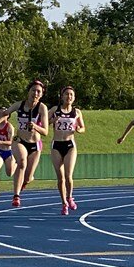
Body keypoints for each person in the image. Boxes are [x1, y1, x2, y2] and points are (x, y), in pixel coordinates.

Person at [0, 80, 49, 207]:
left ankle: (25, 182)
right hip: (19, 141)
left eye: (39, 91)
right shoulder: (19, 105)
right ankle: (16, 196)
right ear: (29, 92)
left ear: (41, 94)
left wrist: (35, 127)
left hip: (35, 144)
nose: (35, 93)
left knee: (28, 177)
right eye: (33, 90)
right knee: (21, 162)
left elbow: (46, 132)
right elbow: (4, 115)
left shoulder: (42, 108)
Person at [48, 86, 86, 215]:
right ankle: (64, 203)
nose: (69, 97)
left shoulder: (77, 112)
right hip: (56, 145)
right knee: (60, 178)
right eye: (66, 94)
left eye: (71, 95)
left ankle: (70, 197)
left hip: (70, 145)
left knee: (68, 176)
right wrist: (53, 120)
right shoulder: (55, 109)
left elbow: (82, 127)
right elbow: (43, 123)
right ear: (62, 96)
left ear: (74, 98)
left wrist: (78, 130)